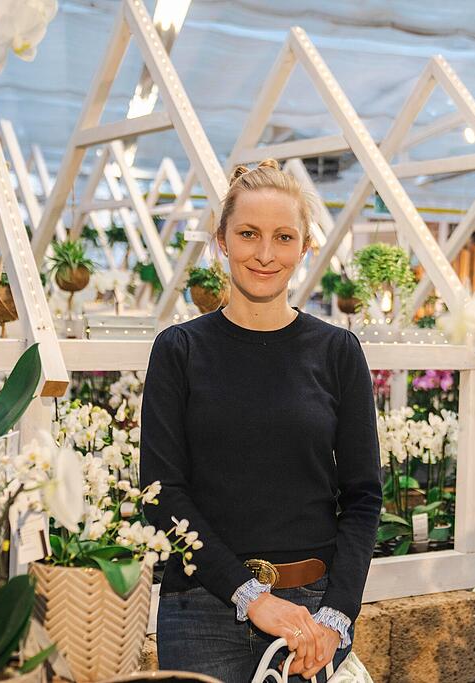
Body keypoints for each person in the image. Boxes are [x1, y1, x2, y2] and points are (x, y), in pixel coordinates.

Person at [141, 159, 382, 682]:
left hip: (312, 614)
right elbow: (162, 492)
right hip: (201, 609)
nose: (265, 254)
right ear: (222, 240)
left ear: (304, 246)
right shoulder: (179, 351)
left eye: (283, 236)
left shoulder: (338, 352)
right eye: (248, 234)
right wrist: (250, 596)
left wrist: (338, 616)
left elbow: (363, 497)